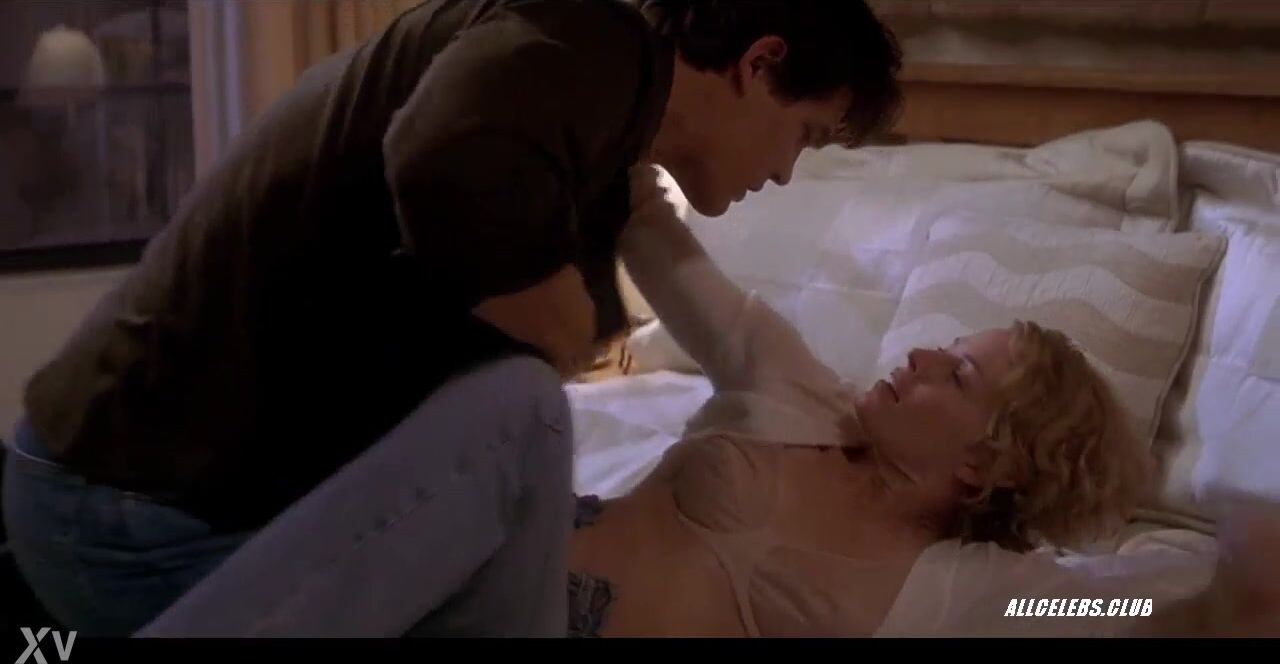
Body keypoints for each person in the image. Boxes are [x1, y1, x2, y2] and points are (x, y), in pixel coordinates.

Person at [1, 0, 903, 637]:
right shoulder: (590, 42)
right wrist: (559, 322)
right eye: (806, 136)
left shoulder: (601, 142)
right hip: (130, 513)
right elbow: (441, 155)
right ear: (759, 64)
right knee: (525, 412)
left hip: (164, 504)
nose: (786, 173)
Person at [561, 164, 1280, 638]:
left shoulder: (970, 591)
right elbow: (650, 229)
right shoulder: (798, 390)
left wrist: (1234, 589)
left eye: (958, 374)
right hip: (524, 565)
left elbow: (1117, 607)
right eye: (949, 348)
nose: (920, 356)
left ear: (988, 465)